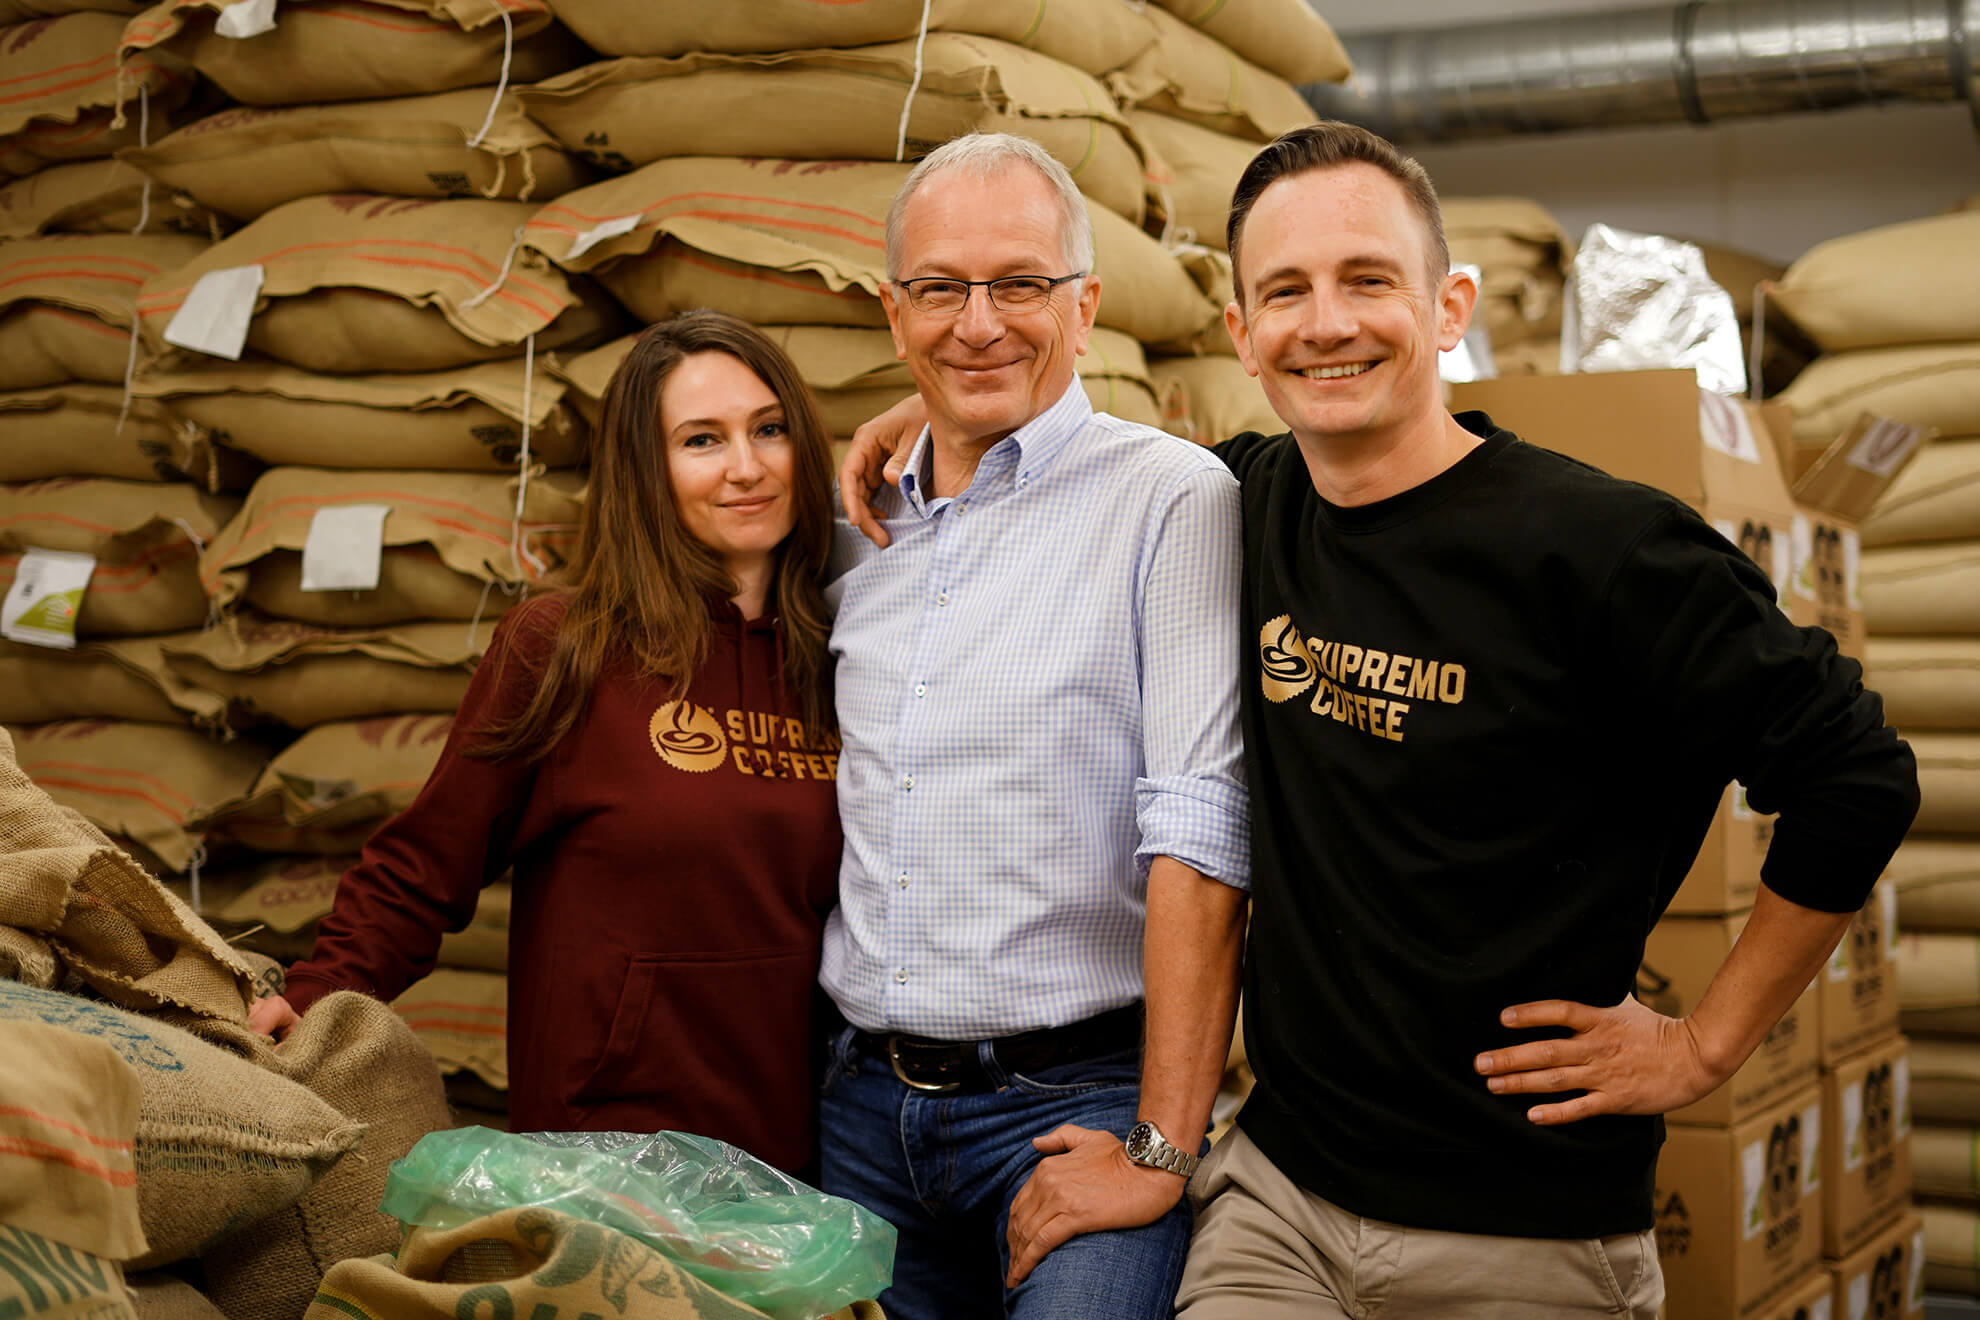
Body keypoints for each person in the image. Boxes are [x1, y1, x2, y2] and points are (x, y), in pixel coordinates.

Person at [841, 123, 1921, 1317]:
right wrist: (932, 416)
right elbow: (1060, 450)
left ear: (1450, 307)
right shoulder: (1243, 502)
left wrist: (1705, 1044)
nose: (1326, 323)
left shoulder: (1602, 548)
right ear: (1242, 332)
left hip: (1525, 1226)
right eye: (1285, 292)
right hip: (1283, 1205)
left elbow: (1856, 776)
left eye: (1367, 281)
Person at [251, 310, 844, 1176]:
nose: (747, 467)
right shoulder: (567, 646)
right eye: (701, 440)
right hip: (607, 1143)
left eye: (770, 429)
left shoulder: (842, 656)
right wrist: (314, 994)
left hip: (802, 1144)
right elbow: (428, 864)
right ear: (646, 469)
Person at [817, 132, 1249, 1319]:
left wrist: (1162, 1145)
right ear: (893, 313)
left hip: (1078, 1104)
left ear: (1087, 305)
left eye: (1020, 284)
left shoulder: (1172, 501)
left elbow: (1204, 830)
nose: (979, 323)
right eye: (940, 290)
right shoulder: (855, 524)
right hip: (857, 1110)